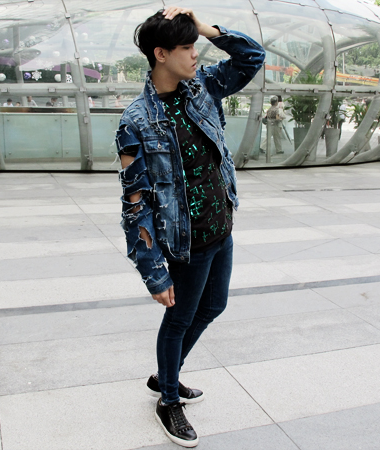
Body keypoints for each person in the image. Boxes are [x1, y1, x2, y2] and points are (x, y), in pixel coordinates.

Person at [115, 6, 264, 448]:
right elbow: (134, 204)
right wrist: (153, 271)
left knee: (213, 306)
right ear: (160, 54)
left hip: (221, 225)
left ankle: (167, 373)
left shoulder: (202, 88)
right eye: (186, 47)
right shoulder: (135, 122)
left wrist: (201, 26)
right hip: (187, 240)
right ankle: (168, 399)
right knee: (179, 319)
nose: (195, 54)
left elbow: (252, 58)